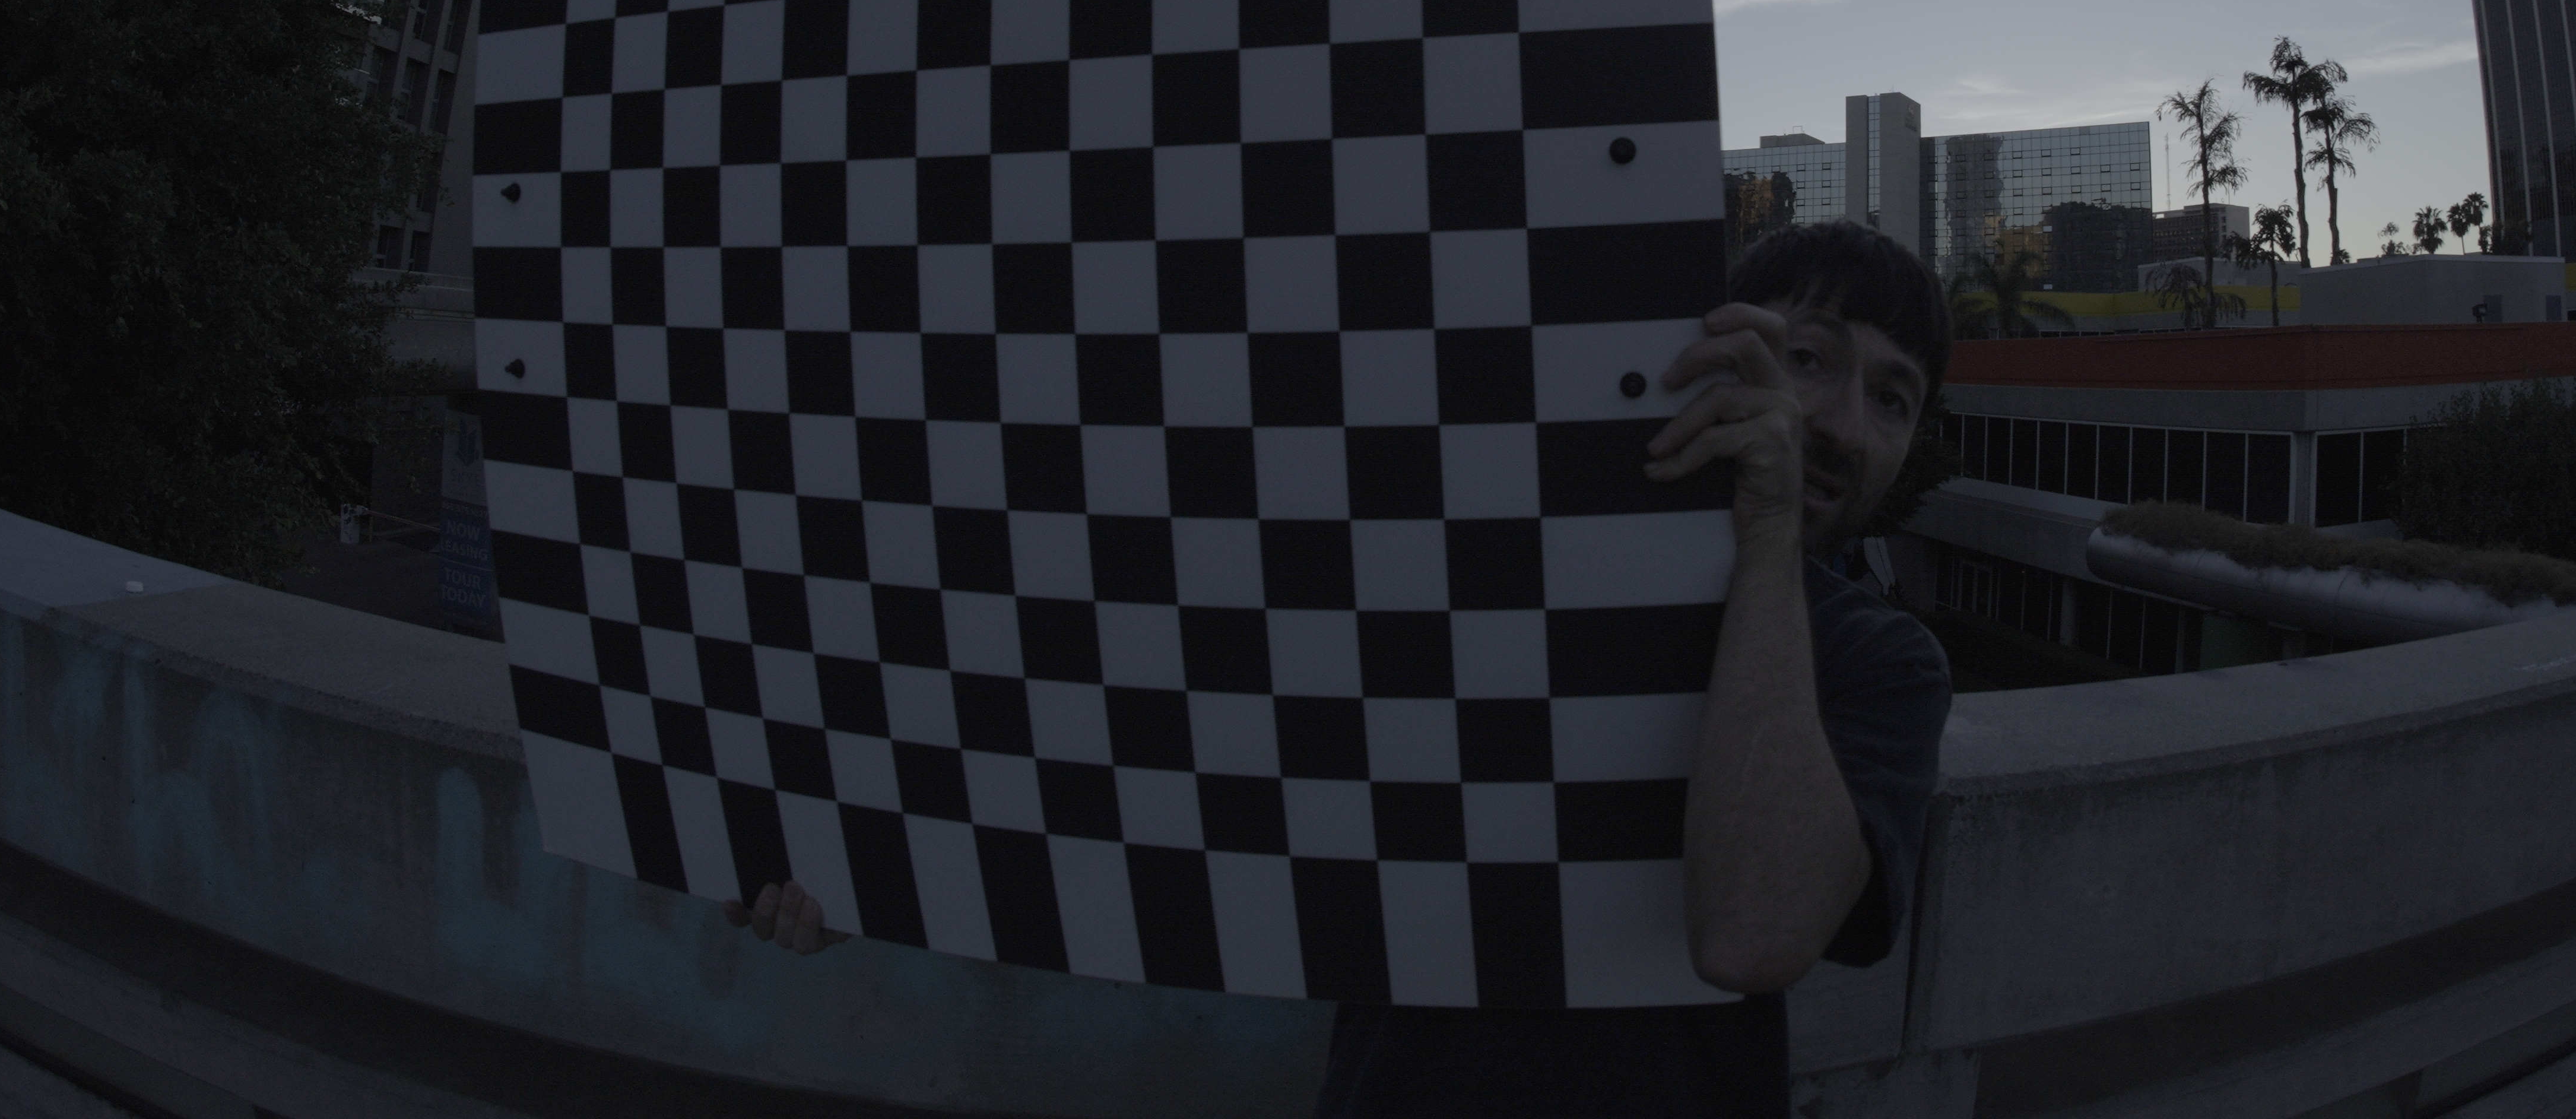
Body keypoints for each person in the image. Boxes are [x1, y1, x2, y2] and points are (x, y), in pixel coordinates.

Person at [729, 219, 1956, 1117]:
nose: (1844, 423)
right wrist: (878, 868)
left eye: (1893, 398)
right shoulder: (1471, 574)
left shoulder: (1880, 656)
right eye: (1810, 358)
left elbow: (1755, 933)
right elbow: (1147, 759)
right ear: (1707, 354)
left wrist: (1761, 539)